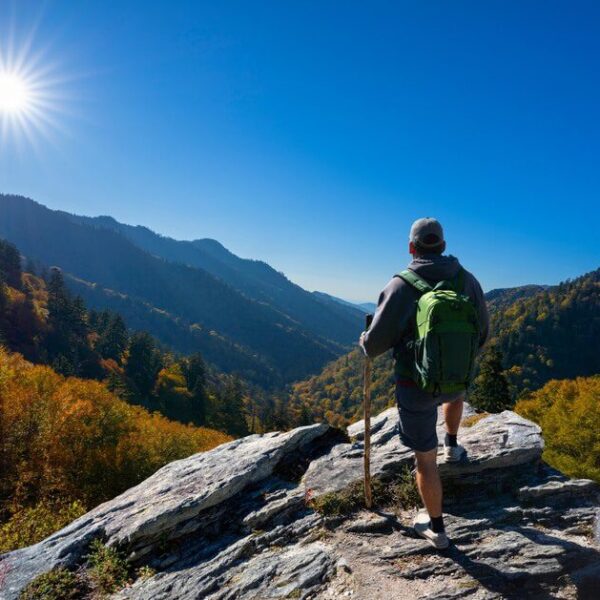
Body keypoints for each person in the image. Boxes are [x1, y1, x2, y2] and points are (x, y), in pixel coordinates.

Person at [359, 217, 489, 549]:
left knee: (424, 461)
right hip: (456, 379)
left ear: (411, 247)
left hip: (414, 384)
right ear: (443, 246)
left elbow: (374, 346)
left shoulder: (401, 286)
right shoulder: (468, 281)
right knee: (453, 395)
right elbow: (482, 334)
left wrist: (364, 338)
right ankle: (453, 444)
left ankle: (437, 529)